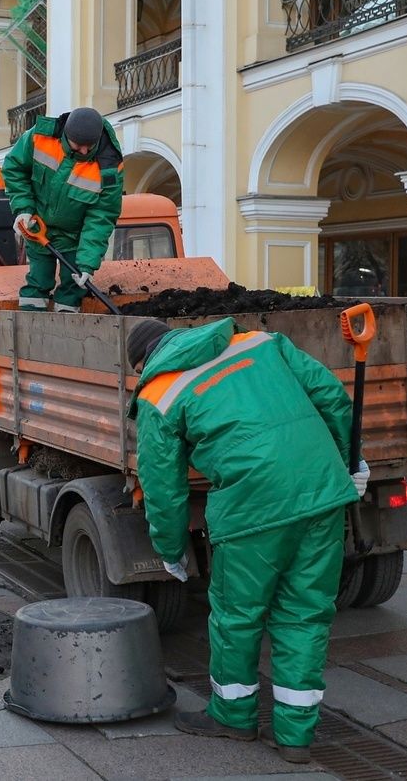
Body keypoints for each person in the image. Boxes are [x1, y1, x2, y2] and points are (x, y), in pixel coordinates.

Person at [126, 317, 368, 764]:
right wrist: (349, 461)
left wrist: (170, 548)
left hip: (251, 509)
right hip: (322, 495)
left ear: (145, 362)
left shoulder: (159, 394)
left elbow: (161, 485)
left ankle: (233, 718)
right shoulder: (260, 342)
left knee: (238, 616)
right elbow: (332, 396)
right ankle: (295, 738)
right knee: (307, 615)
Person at [3, 106, 124, 312]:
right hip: (37, 228)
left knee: (71, 292)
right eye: (79, 146)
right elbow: (14, 168)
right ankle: (30, 329)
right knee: (37, 284)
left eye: (90, 146)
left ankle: (66, 333)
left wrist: (87, 263)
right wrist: (23, 208)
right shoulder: (39, 137)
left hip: (74, 241)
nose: (84, 151)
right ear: (66, 136)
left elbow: (101, 217)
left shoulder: (110, 168)